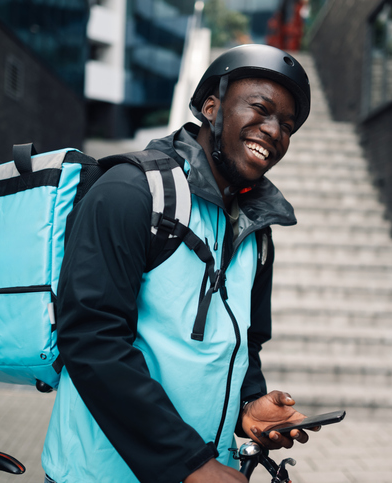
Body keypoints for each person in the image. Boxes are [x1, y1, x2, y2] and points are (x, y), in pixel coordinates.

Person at [41, 44, 314, 483]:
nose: (274, 132)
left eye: (287, 125)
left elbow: (246, 343)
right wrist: (188, 465)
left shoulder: (256, 230)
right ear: (211, 107)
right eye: (260, 110)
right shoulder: (133, 193)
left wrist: (251, 406)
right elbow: (92, 341)